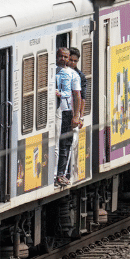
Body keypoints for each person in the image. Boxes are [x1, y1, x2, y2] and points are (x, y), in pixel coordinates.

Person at [54, 47, 82, 187]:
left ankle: (61, 175)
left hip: (66, 111)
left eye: (66, 57)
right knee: (54, 145)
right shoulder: (52, 71)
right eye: (61, 56)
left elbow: (77, 95)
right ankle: (54, 175)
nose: (63, 59)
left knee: (65, 144)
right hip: (54, 113)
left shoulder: (73, 74)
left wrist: (76, 115)